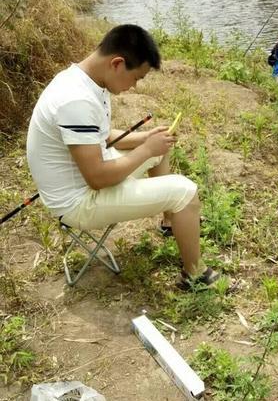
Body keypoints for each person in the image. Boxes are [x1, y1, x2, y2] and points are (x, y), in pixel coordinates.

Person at [26, 24, 218, 290]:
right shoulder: (76, 100)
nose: (134, 87)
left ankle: (170, 222)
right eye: (136, 78)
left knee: (158, 149)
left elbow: (100, 137)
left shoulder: (85, 80)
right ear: (117, 63)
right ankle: (195, 276)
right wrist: (146, 149)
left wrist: (147, 139)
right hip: (78, 202)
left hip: (86, 180)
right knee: (185, 191)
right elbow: (97, 178)